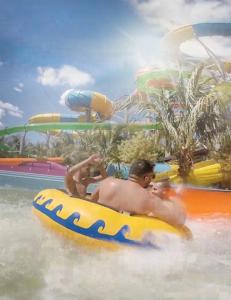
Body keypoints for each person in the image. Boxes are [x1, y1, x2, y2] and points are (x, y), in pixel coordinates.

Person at [90, 159, 186, 226]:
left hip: (94, 226)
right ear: (146, 178)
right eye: (152, 177)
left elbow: (90, 202)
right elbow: (179, 220)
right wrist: (164, 197)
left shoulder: (107, 182)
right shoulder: (148, 198)